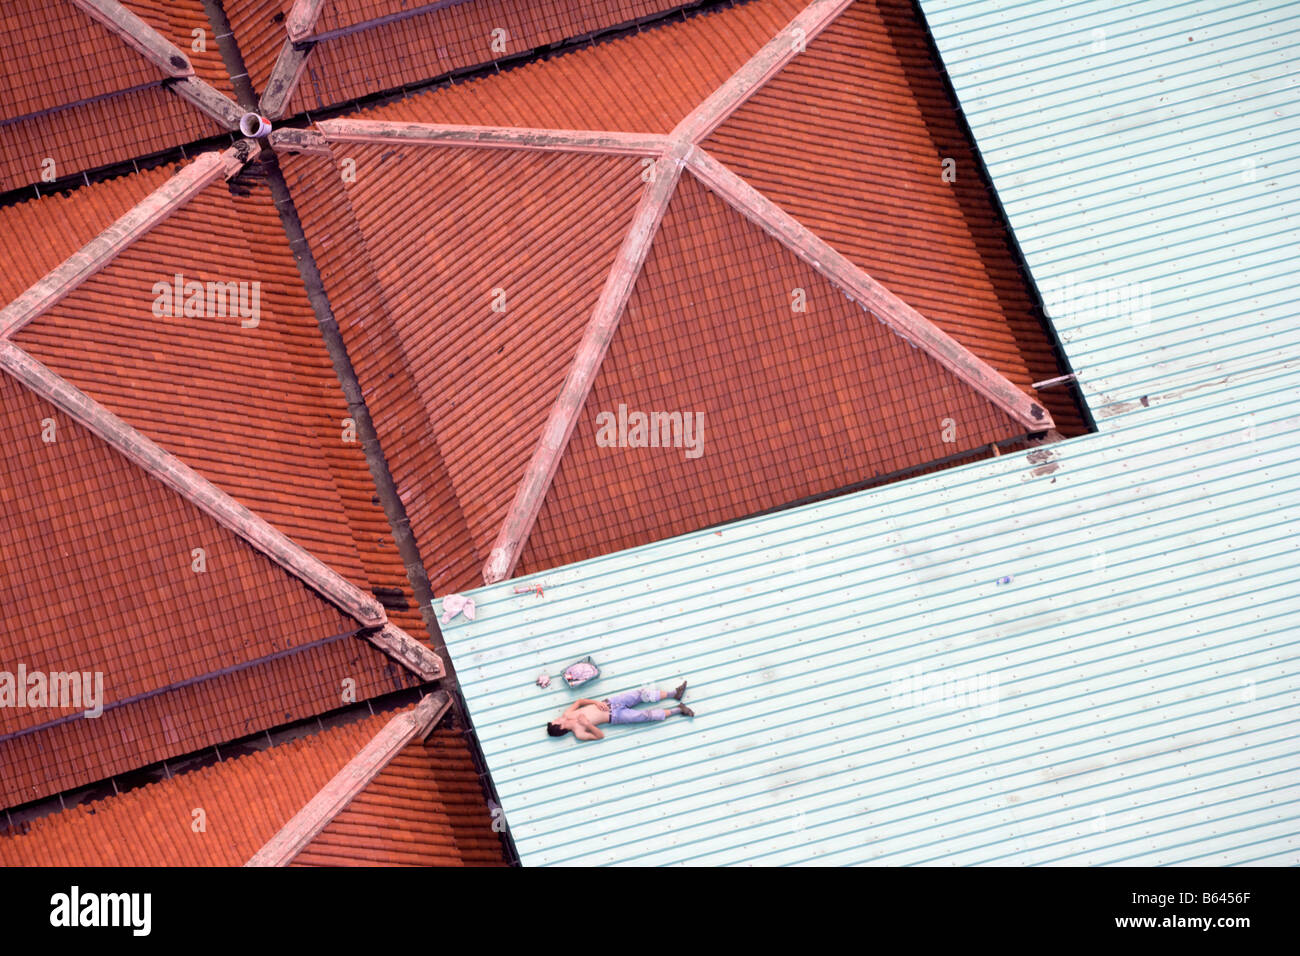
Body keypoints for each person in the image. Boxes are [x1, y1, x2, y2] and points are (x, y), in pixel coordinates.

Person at [546, 681, 693, 741]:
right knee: (645, 716)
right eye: (556, 721)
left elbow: (579, 702)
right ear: (560, 727)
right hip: (616, 716)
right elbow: (599, 736)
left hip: (611, 702)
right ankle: (678, 710)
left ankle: (674, 694)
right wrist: (588, 725)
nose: (558, 718)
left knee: (641, 694)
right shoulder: (579, 733)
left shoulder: (567, 714)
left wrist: (596, 702)